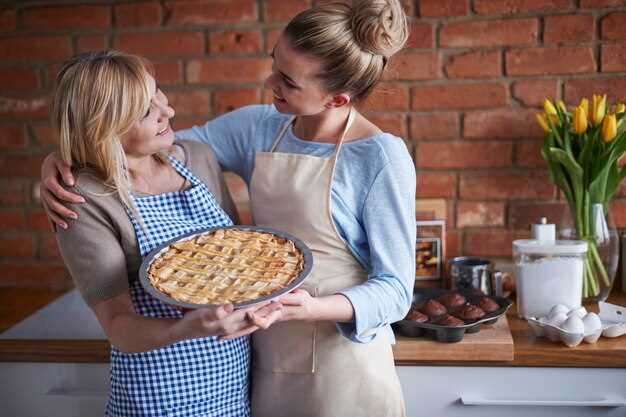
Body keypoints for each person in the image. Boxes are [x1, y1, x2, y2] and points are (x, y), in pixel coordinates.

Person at [41, 1, 417, 416]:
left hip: (341, 359)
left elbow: (396, 292)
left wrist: (309, 309)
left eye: (288, 82)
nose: (270, 81)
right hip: (258, 356)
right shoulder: (260, 126)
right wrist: (63, 161)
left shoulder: (379, 157)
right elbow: (141, 141)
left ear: (336, 99)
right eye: (274, 63)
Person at [48, 50, 282, 417]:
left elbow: (240, 260)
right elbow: (118, 326)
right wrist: (185, 328)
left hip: (233, 380)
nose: (167, 112)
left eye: (159, 94)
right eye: (146, 110)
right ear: (103, 126)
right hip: (159, 392)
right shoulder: (84, 199)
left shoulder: (198, 159)